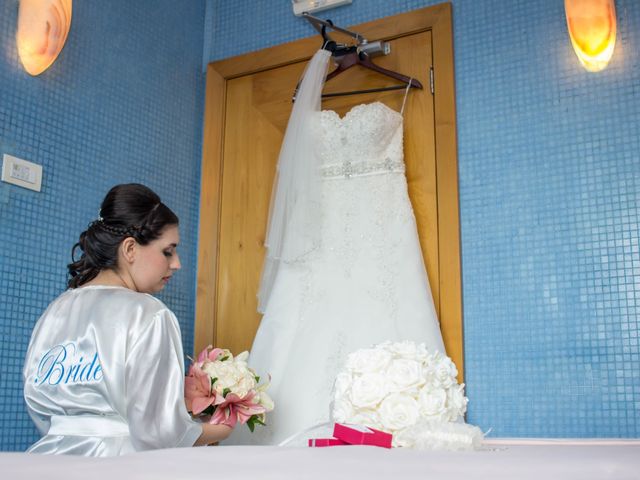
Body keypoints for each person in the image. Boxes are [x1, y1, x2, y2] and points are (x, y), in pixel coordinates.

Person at [23, 183, 232, 456]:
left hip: (46, 461)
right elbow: (160, 434)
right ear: (130, 249)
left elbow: (37, 405)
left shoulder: (55, 310)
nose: (177, 263)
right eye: (168, 251)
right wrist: (223, 428)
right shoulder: (150, 314)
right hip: (121, 462)